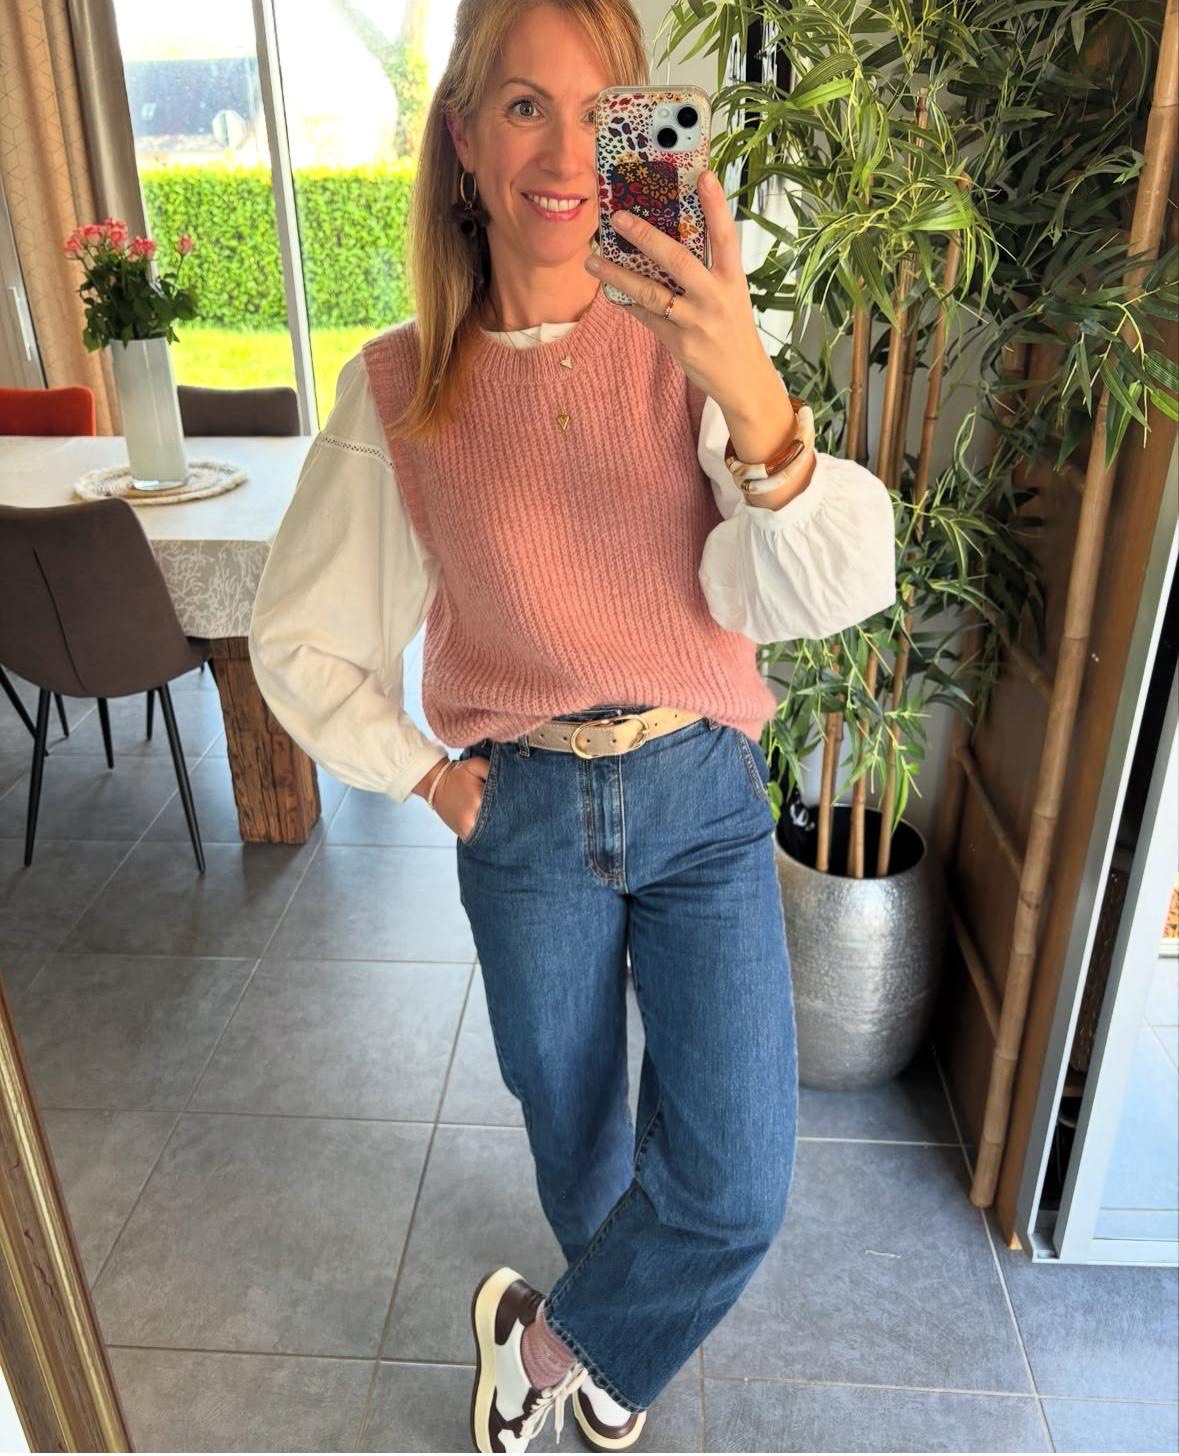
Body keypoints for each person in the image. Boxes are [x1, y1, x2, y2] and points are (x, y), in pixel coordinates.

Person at [248, 0, 897, 1449]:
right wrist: (429, 778)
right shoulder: (400, 389)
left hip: (701, 789)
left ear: (637, 140)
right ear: (465, 140)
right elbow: (296, 635)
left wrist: (748, 382)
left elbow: (814, 591)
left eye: (602, 113)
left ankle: (543, 1349)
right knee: (580, 1144)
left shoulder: (696, 344)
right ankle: (612, 1364)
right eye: (523, 106)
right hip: (524, 811)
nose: (561, 154)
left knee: (735, 1179)